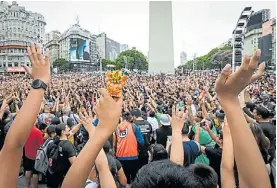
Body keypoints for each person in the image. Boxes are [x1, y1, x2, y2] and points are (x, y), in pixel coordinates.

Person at [115, 111, 144, 184]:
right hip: (133, 155)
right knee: (134, 178)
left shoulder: (117, 127)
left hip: (120, 156)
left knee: (124, 178)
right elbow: (141, 142)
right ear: (130, 118)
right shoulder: (134, 127)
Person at [47, 123, 77, 187]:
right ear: (63, 132)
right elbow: (75, 164)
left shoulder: (52, 143)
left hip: (53, 174)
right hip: (65, 177)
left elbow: (72, 131)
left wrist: (81, 123)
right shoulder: (68, 145)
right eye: (67, 128)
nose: (69, 129)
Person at [24, 123, 44, 188]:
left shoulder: (25, 131)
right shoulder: (38, 131)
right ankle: (35, 186)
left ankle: (27, 186)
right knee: (35, 172)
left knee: (28, 170)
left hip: (27, 153)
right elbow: (41, 144)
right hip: (36, 155)